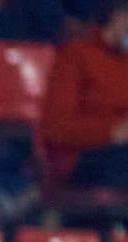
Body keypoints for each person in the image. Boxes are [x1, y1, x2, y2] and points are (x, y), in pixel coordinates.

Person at [42, 0, 128, 188]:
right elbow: (56, 127)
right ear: (119, 18)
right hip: (86, 157)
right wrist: (111, 132)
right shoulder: (76, 55)